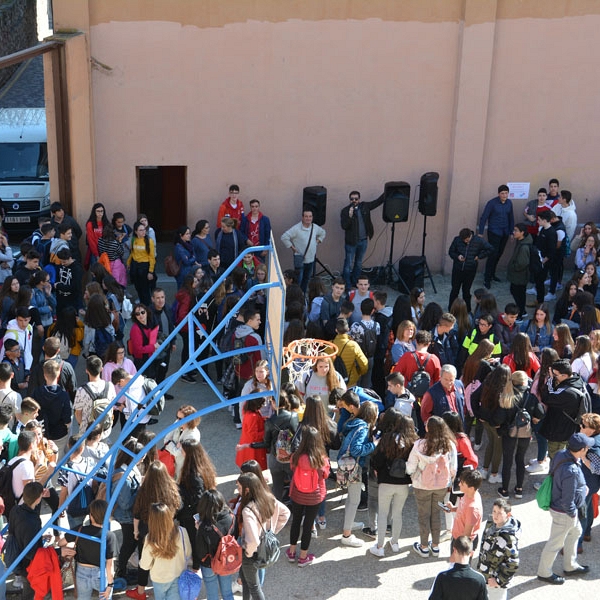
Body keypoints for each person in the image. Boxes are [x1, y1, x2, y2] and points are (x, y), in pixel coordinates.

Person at [536, 432, 593, 585]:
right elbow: (568, 501)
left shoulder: (562, 454)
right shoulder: (571, 471)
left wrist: (582, 488)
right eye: (586, 447)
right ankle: (544, 572)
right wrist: (573, 515)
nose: (588, 449)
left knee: (577, 533)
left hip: (560, 509)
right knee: (555, 543)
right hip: (565, 514)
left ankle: (570, 565)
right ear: (581, 450)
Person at [128, 461, 182, 600]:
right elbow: (178, 506)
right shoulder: (172, 488)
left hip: (146, 529)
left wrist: (135, 531)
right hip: (167, 527)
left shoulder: (143, 491)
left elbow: (137, 513)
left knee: (144, 560)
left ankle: (140, 591)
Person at [406, 415, 457, 558]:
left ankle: (423, 546)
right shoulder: (450, 445)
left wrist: (412, 475)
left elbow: (410, 467)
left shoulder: (420, 445)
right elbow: (453, 468)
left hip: (422, 485)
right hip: (441, 485)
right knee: (436, 514)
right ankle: (435, 547)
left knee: (423, 515)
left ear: (428, 428)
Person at [369, 411, 417, 557]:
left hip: (385, 481)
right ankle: (395, 543)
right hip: (403, 483)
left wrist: (377, 470)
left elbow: (376, 458)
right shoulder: (412, 442)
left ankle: (380, 546)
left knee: (383, 514)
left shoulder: (387, 438)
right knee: (397, 513)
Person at [236, 472, 290, 599]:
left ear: (247, 489)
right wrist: (272, 531)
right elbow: (286, 513)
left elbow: (253, 540)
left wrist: (248, 553)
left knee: (254, 587)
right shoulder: (268, 498)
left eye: (239, 487)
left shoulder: (248, 509)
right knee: (246, 582)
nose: (237, 490)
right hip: (264, 548)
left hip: (251, 553)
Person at [286, 425, 330, 566]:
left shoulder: (296, 456)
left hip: (297, 494)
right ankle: (303, 557)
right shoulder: (320, 458)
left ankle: (292, 552)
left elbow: (292, 468)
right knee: (308, 525)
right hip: (314, 496)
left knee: (296, 521)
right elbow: (325, 474)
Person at [337, 393, 377, 547]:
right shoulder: (363, 428)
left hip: (345, 463)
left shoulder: (354, 423)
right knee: (355, 500)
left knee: (351, 498)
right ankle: (347, 535)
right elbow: (356, 450)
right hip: (353, 466)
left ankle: (349, 522)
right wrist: (374, 444)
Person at [139, 502, 191, 600]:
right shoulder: (182, 531)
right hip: (178, 574)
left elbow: (145, 565)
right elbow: (188, 553)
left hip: (159, 579)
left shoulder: (150, 539)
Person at [193, 489, 237, 600]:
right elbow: (235, 536)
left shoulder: (204, 526)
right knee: (227, 593)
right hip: (227, 560)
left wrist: (199, 530)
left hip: (210, 564)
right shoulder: (231, 517)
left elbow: (200, 550)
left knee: (212, 595)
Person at [540, 359, 590, 458]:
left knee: (556, 460)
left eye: (555, 375)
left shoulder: (568, 393)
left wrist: (550, 380)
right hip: (570, 430)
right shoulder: (578, 380)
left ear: (565, 375)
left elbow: (547, 397)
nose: (554, 377)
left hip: (560, 432)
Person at [471, 365, 511, 484]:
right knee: (497, 447)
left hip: (486, 421)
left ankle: (484, 470)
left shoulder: (487, 383)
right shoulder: (504, 388)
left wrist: (479, 414)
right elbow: (501, 410)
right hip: (495, 423)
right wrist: (496, 422)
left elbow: (473, 397)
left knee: (491, 443)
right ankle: (493, 474)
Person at [7, 482, 46, 600]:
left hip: (14, 554)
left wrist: (39, 537)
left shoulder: (16, 510)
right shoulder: (33, 522)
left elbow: (19, 531)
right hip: (27, 565)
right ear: (38, 498)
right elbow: (31, 553)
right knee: (30, 593)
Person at [476, 498, 520, 600]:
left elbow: (513, 563)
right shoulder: (491, 524)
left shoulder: (509, 538)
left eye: (499, 513)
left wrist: (499, 580)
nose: (495, 515)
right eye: (494, 511)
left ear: (508, 515)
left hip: (495, 584)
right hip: (485, 576)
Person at [340, 190, 385, 289]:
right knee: (348, 264)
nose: (354, 200)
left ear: (359, 199)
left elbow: (377, 202)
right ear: (349, 200)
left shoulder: (365, 207)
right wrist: (350, 216)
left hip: (363, 240)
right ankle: (347, 286)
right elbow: (344, 226)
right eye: (352, 199)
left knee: (359, 263)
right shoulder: (345, 211)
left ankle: (355, 282)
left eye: (356, 199)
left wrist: (387, 192)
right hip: (351, 243)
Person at [262, 392, 299, 501]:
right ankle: (293, 505)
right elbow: (297, 435)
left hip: (275, 457)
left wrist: (250, 445)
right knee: (295, 484)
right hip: (291, 457)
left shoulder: (269, 421)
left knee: (277, 486)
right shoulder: (294, 416)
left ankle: (277, 509)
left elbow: (266, 442)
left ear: (273, 403)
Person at [280, 207, 326, 293]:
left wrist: (317, 241)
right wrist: (292, 248)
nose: (308, 218)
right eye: (306, 216)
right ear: (302, 217)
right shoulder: (296, 228)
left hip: (311, 259)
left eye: (310, 216)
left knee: (306, 279)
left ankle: (303, 295)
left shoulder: (315, 227)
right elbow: (284, 237)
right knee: (298, 281)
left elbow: (323, 233)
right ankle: (296, 296)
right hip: (300, 260)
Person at [448, 228, 493, 312]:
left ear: (470, 236)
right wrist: (457, 256)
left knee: (466, 291)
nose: (465, 241)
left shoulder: (478, 240)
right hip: (457, 270)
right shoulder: (457, 240)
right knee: (454, 290)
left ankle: (467, 311)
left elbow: (490, 249)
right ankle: (451, 309)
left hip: (470, 271)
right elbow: (451, 252)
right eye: (463, 240)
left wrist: (479, 256)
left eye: (467, 240)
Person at [478, 184, 514, 289]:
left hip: (505, 232)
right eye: (502, 193)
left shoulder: (509, 203)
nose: (504, 195)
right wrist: (480, 232)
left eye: (506, 193)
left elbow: (511, 218)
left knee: (499, 254)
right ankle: (487, 279)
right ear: (499, 194)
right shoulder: (492, 203)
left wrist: (511, 232)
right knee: (492, 255)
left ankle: (492, 274)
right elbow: (484, 217)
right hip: (494, 232)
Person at [446, 469, 483, 548]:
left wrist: (459, 549)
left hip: (462, 543)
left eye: (462, 484)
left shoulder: (472, 508)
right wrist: (453, 508)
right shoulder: (468, 494)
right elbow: (463, 509)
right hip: (457, 537)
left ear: (471, 488)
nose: (459, 484)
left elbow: (467, 535)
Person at [330, 318, 368, 387]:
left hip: (333, 381)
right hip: (350, 382)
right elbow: (364, 365)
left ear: (336, 330)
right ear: (348, 329)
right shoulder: (353, 345)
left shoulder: (329, 345)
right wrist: (358, 373)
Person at [235, 398, 268, 470]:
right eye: (262, 404)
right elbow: (254, 435)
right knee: (253, 467)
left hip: (247, 443)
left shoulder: (248, 411)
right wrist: (267, 432)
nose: (263, 405)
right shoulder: (253, 416)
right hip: (252, 448)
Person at [85, 203, 109, 268]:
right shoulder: (90, 224)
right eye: (98, 211)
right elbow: (91, 240)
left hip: (105, 251)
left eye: (102, 211)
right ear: (94, 212)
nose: (100, 213)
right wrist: (97, 255)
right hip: (95, 251)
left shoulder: (106, 222)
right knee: (96, 273)